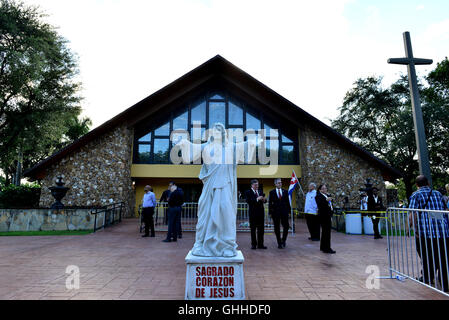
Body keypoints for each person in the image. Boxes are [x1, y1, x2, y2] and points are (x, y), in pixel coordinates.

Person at [409, 175, 449, 291]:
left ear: (417, 185)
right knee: (443, 257)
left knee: (426, 255)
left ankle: (427, 276)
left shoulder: (416, 195)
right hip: (442, 231)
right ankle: (445, 283)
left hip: (425, 232)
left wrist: (413, 229)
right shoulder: (437, 194)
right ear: (428, 183)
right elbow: (445, 210)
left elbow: (413, 214)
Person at [269, 178, 291, 249]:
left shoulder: (285, 191)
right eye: (278, 183)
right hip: (276, 213)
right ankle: (279, 242)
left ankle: (283, 240)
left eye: (280, 182)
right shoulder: (272, 192)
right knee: (277, 228)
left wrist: (289, 211)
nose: (280, 184)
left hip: (284, 212)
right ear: (275, 184)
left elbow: (288, 202)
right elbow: (270, 203)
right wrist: (270, 212)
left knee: (286, 226)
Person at [246, 179, 267, 249]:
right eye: (255, 185)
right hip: (253, 214)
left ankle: (260, 244)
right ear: (252, 185)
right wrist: (257, 199)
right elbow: (248, 201)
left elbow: (265, 201)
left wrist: (264, 200)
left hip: (261, 213)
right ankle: (254, 244)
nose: (257, 186)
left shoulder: (260, 191)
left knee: (261, 229)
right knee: (253, 229)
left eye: (258, 184)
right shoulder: (248, 192)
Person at [315, 184, 335, 254]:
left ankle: (323, 247)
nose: (325, 190)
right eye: (323, 188)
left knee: (325, 232)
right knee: (326, 233)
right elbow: (320, 205)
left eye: (325, 188)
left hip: (328, 216)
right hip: (324, 217)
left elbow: (330, 205)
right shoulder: (318, 196)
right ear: (320, 190)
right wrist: (326, 200)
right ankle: (327, 248)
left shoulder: (327, 195)